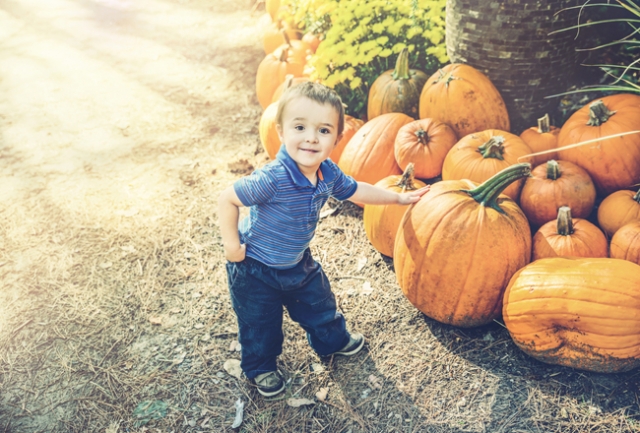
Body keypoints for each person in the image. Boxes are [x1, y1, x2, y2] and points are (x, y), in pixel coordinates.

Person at [218, 82, 430, 397]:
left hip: (297, 263)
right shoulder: (273, 179)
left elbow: (356, 189)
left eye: (323, 130)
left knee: (320, 305)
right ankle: (261, 367)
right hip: (255, 270)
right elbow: (228, 199)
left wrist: (397, 198)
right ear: (281, 131)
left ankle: (332, 341)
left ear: (338, 137)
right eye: (300, 127)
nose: (311, 137)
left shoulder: (327, 173)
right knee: (259, 324)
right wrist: (232, 247)